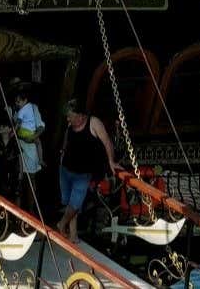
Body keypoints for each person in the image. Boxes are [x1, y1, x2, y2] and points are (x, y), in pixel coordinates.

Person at [56, 99, 121, 236]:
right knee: (69, 203)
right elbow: (66, 141)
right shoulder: (70, 125)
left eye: (70, 116)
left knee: (75, 204)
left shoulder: (94, 123)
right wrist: (62, 156)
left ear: (79, 115)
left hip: (83, 173)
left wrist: (111, 161)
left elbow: (107, 142)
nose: (68, 119)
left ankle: (61, 224)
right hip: (66, 169)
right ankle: (73, 235)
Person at [9, 84, 46, 204]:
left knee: (31, 179)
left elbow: (41, 127)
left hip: (29, 147)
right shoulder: (11, 108)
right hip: (16, 148)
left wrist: (32, 138)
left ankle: (31, 210)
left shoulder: (33, 108)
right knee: (17, 179)